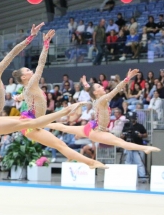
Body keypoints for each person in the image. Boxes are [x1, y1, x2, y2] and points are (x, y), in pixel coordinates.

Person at [12, 29, 107, 169]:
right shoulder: (31, 84)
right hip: (30, 125)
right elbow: (40, 65)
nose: (30, 71)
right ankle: (91, 163)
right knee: (59, 144)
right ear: (24, 78)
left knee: (60, 144)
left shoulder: (27, 89)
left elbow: (21, 96)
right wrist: (45, 45)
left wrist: (17, 97)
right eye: (27, 71)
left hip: (34, 123)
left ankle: (89, 163)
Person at [47, 70, 160, 154]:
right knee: (120, 142)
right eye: (99, 86)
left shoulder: (95, 98)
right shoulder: (101, 100)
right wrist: (127, 78)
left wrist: (85, 83)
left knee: (65, 128)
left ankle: (44, 123)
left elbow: (89, 90)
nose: (102, 87)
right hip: (97, 132)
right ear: (96, 92)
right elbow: (115, 90)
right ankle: (145, 148)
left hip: (90, 128)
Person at [121, 114, 148, 178]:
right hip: (128, 146)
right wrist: (123, 136)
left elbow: (146, 134)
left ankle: (142, 177)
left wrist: (140, 135)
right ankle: (128, 177)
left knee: (139, 162)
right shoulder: (126, 125)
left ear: (135, 118)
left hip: (137, 146)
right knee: (128, 162)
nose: (131, 119)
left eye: (133, 118)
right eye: (130, 118)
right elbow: (122, 135)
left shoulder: (140, 126)